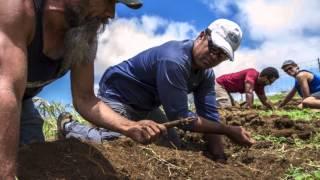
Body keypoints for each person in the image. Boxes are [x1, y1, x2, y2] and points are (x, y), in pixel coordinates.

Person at [0, 0, 169, 178]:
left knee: (36, 159)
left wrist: (129, 127)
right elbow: (6, 89)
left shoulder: (84, 35)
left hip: (21, 101)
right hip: (6, 95)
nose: (111, 13)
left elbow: (85, 98)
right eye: (108, 2)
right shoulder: (17, 9)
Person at [59, 18, 255, 162]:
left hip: (147, 106)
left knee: (171, 147)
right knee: (123, 142)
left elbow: (209, 115)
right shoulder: (174, 60)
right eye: (213, 48)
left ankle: (107, 126)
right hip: (118, 95)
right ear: (202, 36)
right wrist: (229, 130)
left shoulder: (206, 75)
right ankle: (69, 128)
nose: (214, 57)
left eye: (221, 55)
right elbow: (182, 117)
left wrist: (219, 157)